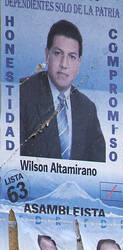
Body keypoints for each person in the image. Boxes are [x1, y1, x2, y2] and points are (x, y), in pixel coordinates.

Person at [19, 21, 106, 162]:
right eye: (58, 53)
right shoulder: (22, 93)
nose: (64, 64)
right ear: (47, 54)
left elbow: (99, 166)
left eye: (72, 57)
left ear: (79, 63)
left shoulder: (87, 108)